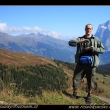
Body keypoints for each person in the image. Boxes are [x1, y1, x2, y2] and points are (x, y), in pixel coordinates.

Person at [68, 24, 105, 104]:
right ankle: (74, 94)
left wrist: (93, 48)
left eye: (90, 28)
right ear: (85, 29)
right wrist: (80, 41)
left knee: (90, 80)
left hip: (91, 64)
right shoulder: (80, 38)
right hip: (81, 63)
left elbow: (102, 50)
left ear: (92, 29)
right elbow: (70, 43)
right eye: (87, 28)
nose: (88, 30)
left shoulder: (96, 39)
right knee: (76, 78)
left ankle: (89, 96)